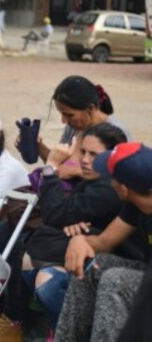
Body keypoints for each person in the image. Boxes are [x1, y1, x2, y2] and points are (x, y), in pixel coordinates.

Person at [22, 124, 134, 337]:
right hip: (87, 252)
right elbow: (59, 218)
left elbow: (54, 215)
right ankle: (49, 328)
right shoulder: (93, 181)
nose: (84, 159)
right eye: (82, 151)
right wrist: (74, 225)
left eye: (94, 155)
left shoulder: (108, 188)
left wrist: (51, 167)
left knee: (46, 280)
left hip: (113, 261)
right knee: (29, 254)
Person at [56, 142, 152, 341]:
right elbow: (105, 241)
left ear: (124, 189)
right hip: (146, 273)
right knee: (91, 264)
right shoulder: (135, 204)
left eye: (111, 179)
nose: (108, 183)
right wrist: (80, 240)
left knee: (116, 279)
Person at [25, 76, 130, 180]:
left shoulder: (116, 132)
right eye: (62, 114)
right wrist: (38, 147)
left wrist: (78, 171)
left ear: (90, 108)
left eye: (69, 115)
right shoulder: (74, 127)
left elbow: (123, 178)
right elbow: (61, 166)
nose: (64, 121)